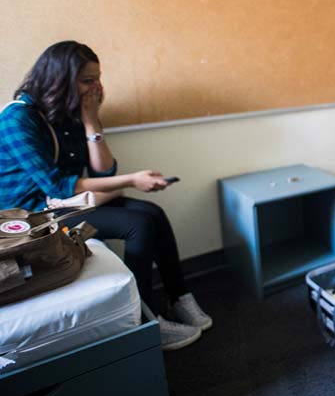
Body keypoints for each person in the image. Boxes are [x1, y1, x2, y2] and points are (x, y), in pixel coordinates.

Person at [0, 41, 212, 351]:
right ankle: (144, 319)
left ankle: (178, 297)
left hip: (65, 202)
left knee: (153, 213)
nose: (97, 87)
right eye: (87, 80)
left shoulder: (68, 115)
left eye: (98, 78)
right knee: (136, 224)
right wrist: (133, 180)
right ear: (59, 79)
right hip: (35, 215)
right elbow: (59, 186)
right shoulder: (18, 120)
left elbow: (101, 174)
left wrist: (91, 120)